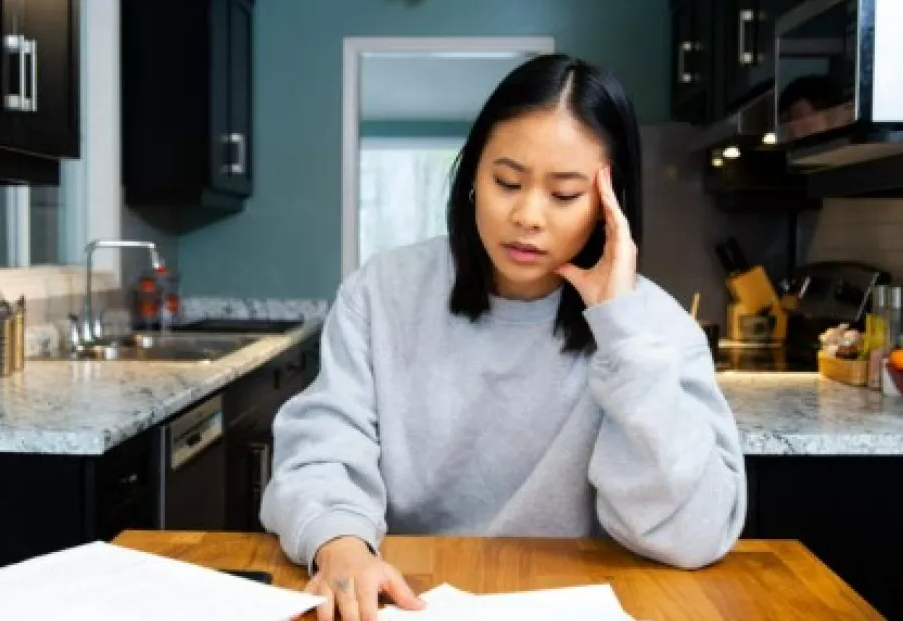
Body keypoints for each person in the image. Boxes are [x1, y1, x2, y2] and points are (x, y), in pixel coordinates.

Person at [261, 53, 747, 621]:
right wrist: (341, 544)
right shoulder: (381, 293)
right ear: (471, 176)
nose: (527, 215)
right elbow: (322, 448)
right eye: (507, 182)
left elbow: (694, 534)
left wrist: (622, 334)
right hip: (405, 598)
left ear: (607, 207)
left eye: (564, 195)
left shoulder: (656, 329)